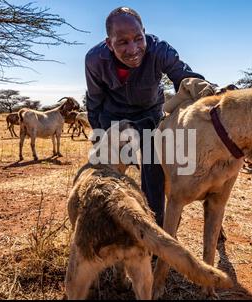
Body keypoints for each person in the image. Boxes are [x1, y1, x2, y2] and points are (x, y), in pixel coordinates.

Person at [85, 6, 207, 226]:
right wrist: (99, 135)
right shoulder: (94, 60)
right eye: (122, 42)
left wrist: (212, 94)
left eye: (138, 39)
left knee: (156, 170)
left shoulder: (160, 50)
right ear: (108, 43)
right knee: (103, 175)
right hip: (113, 117)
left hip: (150, 114)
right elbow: (94, 100)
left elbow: (185, 77)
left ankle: (154, 232)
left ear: (144, 32)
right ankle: (106, 231)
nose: (133, 49)